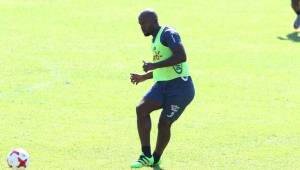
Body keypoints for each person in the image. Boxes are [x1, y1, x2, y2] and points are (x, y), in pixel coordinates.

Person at [129, 9, 195, 168]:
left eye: (143, 23)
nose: (141, 27)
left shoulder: (168, 33)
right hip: (162, 85)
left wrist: (153, 65)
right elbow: (166, 67)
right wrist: (144, 77)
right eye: (139, 24)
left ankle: (156, 158)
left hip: (180, 88)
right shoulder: (155, 39)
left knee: (164, 123)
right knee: (142, 109)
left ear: (153, 21)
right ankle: (145, 155)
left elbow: (181, 56)